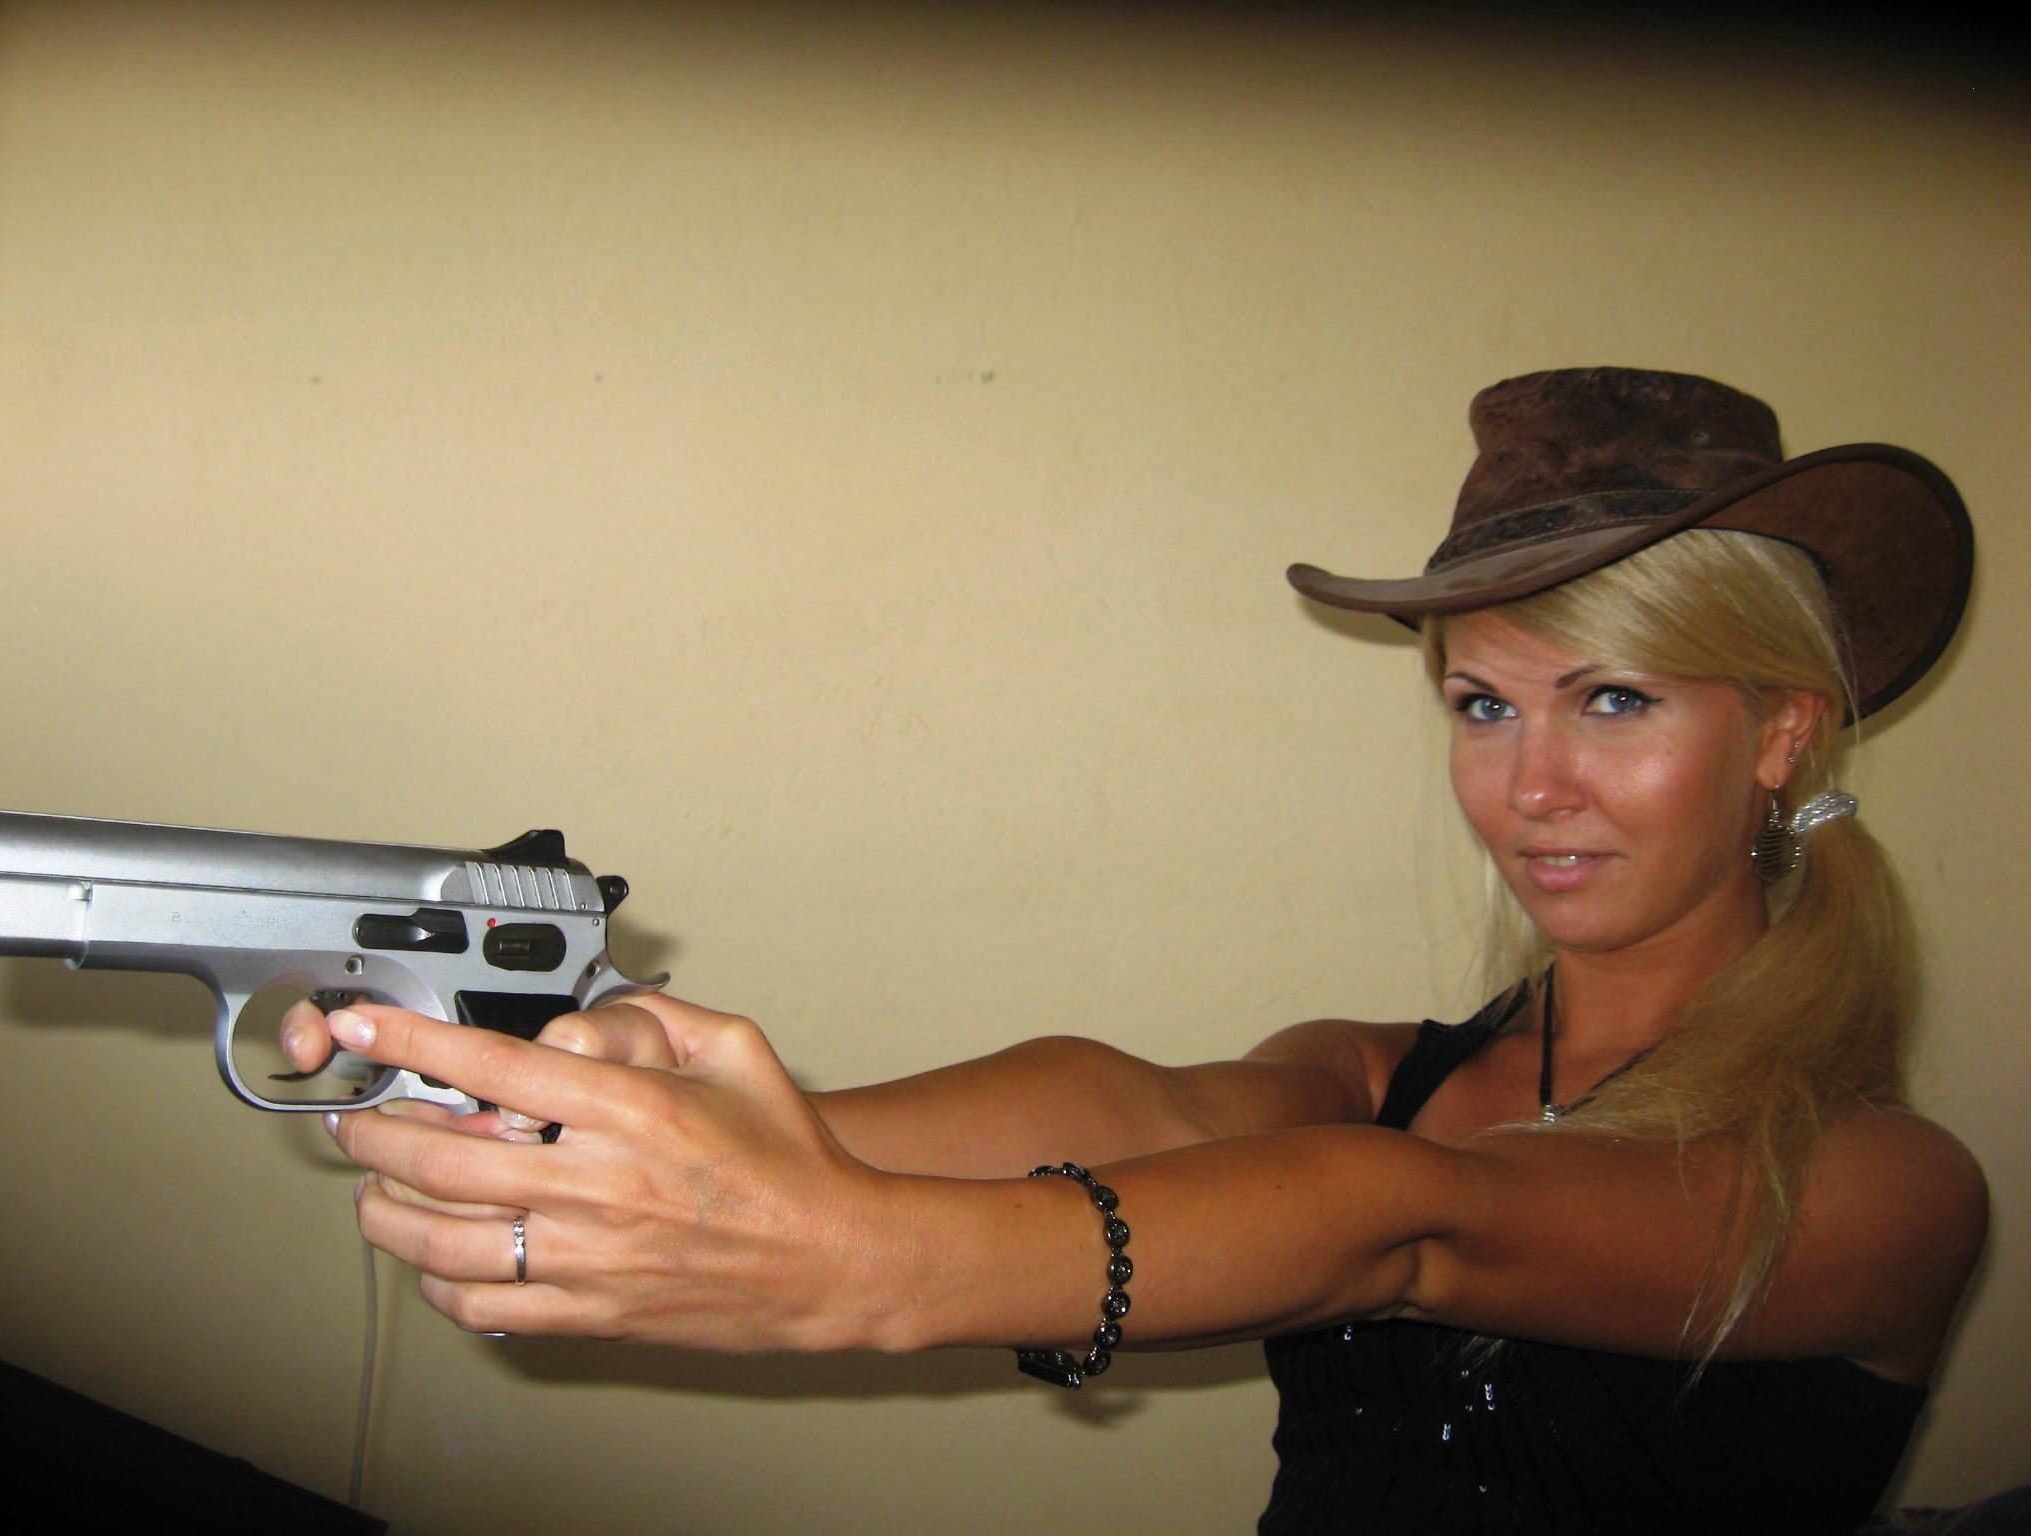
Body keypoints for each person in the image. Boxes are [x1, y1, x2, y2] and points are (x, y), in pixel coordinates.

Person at [283, 368, 1988, 1533]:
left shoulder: (1884, 1191)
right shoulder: (1375, 1074)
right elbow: (1139, 1106)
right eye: (1485, 706)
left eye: (1613, 702)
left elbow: (1409, 1227)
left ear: (1782, 733)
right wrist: (651, 1120)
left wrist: (862, 1260)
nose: (1532, 784)